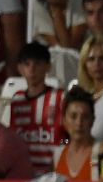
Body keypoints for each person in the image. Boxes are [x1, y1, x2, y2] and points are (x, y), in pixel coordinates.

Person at [8, 42, 66, 174]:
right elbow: (14, 136)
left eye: (37, 64)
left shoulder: (60, 97)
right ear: (20, 68)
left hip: (53, 171)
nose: (32, 69)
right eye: (27, 64)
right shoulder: (17, 99)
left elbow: (67, 136)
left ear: (48, 67)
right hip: (23, 171)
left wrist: (60, 152)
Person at [51, 87, 103, 181]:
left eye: (85, 117)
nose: (79, 123)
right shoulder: (57, 156)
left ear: (92, 120)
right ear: (64, 120)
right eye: (73, 116)